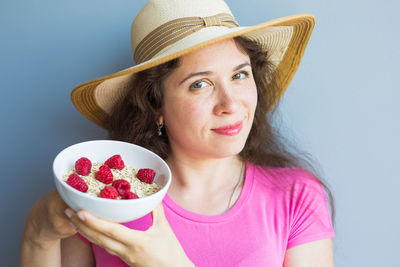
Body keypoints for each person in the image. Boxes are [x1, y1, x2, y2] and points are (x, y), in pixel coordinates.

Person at [20, 0, 335, 266]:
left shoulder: (297, 198)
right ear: (155, 105)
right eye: (200, 84)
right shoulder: (103, 199)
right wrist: (37, 230)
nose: (230, 103)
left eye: (240, 75)